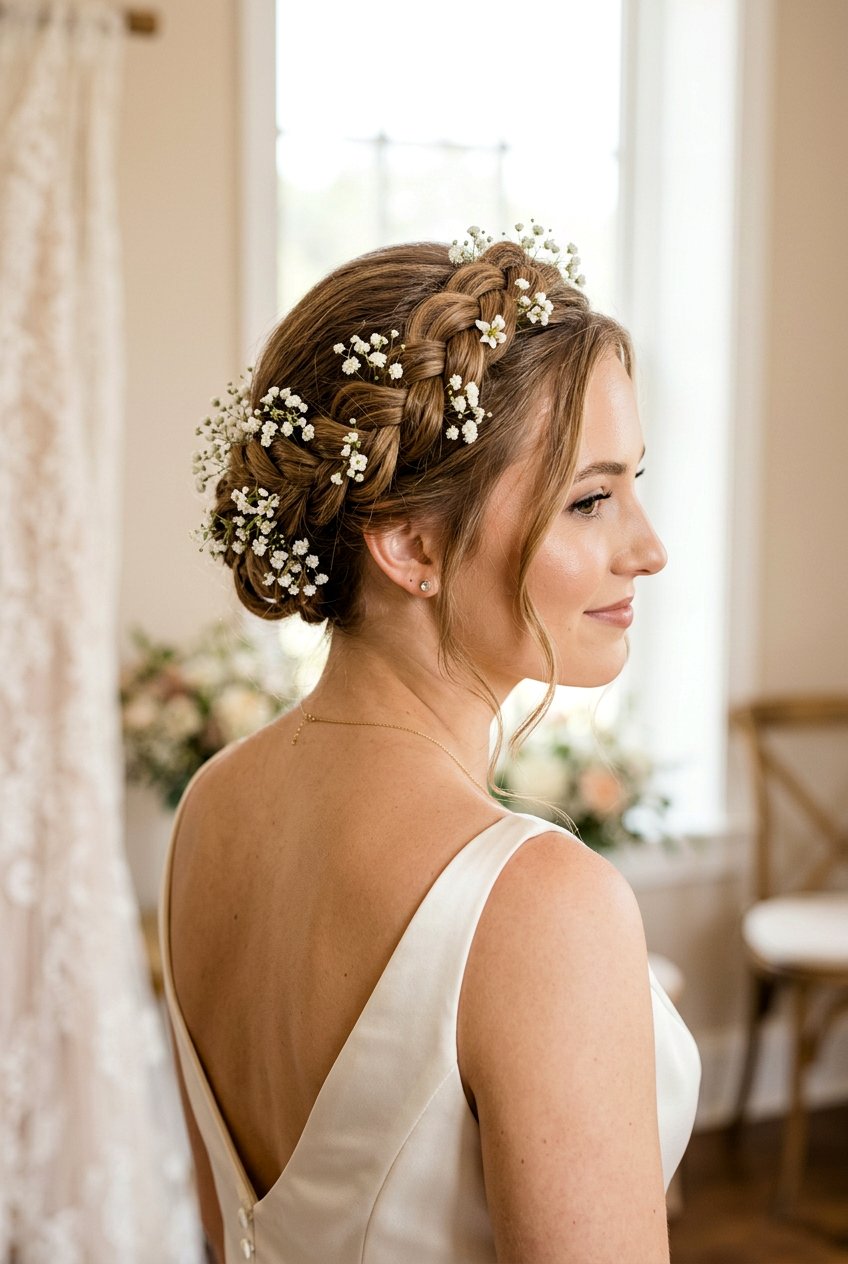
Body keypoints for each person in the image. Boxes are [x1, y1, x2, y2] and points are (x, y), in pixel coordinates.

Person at [159, 226, 702, 1264]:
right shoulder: (540, 906)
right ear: (410, 544)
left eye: (632, 481)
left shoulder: (210, 810)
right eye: (590, 497)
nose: (647, 545)